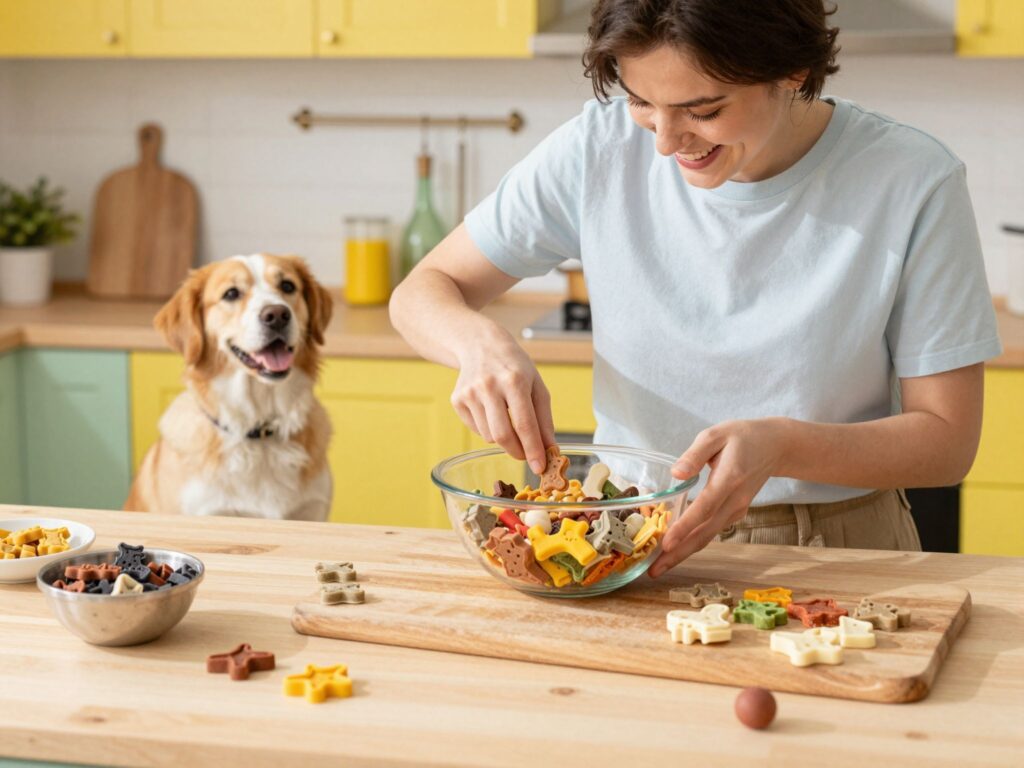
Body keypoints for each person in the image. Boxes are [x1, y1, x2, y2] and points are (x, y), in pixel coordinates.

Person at [389, 0, 1002, 578]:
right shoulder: (596, 150)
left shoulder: (913, 178)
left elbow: (946, 442)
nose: (663, 141)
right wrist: (476, 343)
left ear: (793, 69)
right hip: (627, 540)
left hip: (839, 549)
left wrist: (783, 445)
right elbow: (424, 291)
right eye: (640, 103)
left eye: (704, 111)